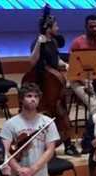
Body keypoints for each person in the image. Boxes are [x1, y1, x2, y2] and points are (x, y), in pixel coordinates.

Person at [29, 11, 79, 156]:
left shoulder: (53, 42)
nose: (57, 27)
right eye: (55, 25)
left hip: (54, 86)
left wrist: (66, 65)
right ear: (48, 28)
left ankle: (67, 143)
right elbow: (33, 61)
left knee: (61, 113)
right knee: (53, 114)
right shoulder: (37, 42)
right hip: (41, 85)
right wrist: (39, 42)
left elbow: (56, 60)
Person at [69, 14, 96, 118]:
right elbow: (73, 68)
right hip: (79, 80)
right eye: (91, 27)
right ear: (86, 27)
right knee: (94, 105)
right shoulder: (77, 43)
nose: (95, 29)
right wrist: (86, 82)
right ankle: (93, 130)